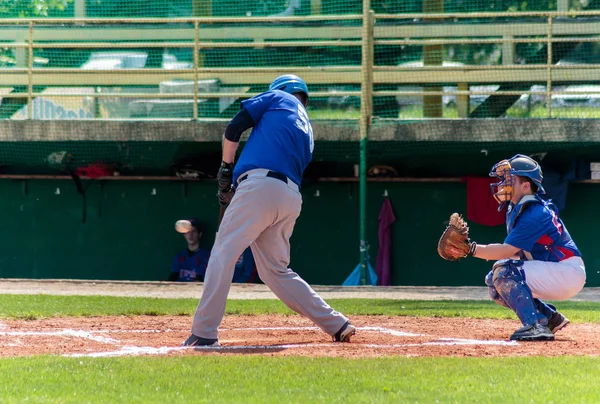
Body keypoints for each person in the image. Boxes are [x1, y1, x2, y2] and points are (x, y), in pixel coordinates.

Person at [182, 74, 355, 346]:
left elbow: (234, 127)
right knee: (276, 271)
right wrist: (238, 184)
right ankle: (336, 323)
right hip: (289, 197)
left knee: (222, 252)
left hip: (261, 187)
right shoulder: (306, 128)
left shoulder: (277, 97)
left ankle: (204, 333)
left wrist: (226, 169)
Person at [465, 154, 586, 341]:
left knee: (504, 271)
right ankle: (548, 318)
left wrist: (470, 248)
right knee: (495, 282)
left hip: (566, 271)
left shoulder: (536, 212)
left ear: (526, 185)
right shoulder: (516, 208)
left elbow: (506, 251)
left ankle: (534, 326)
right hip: (554, 269)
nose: (503, 183)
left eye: (510, 179)